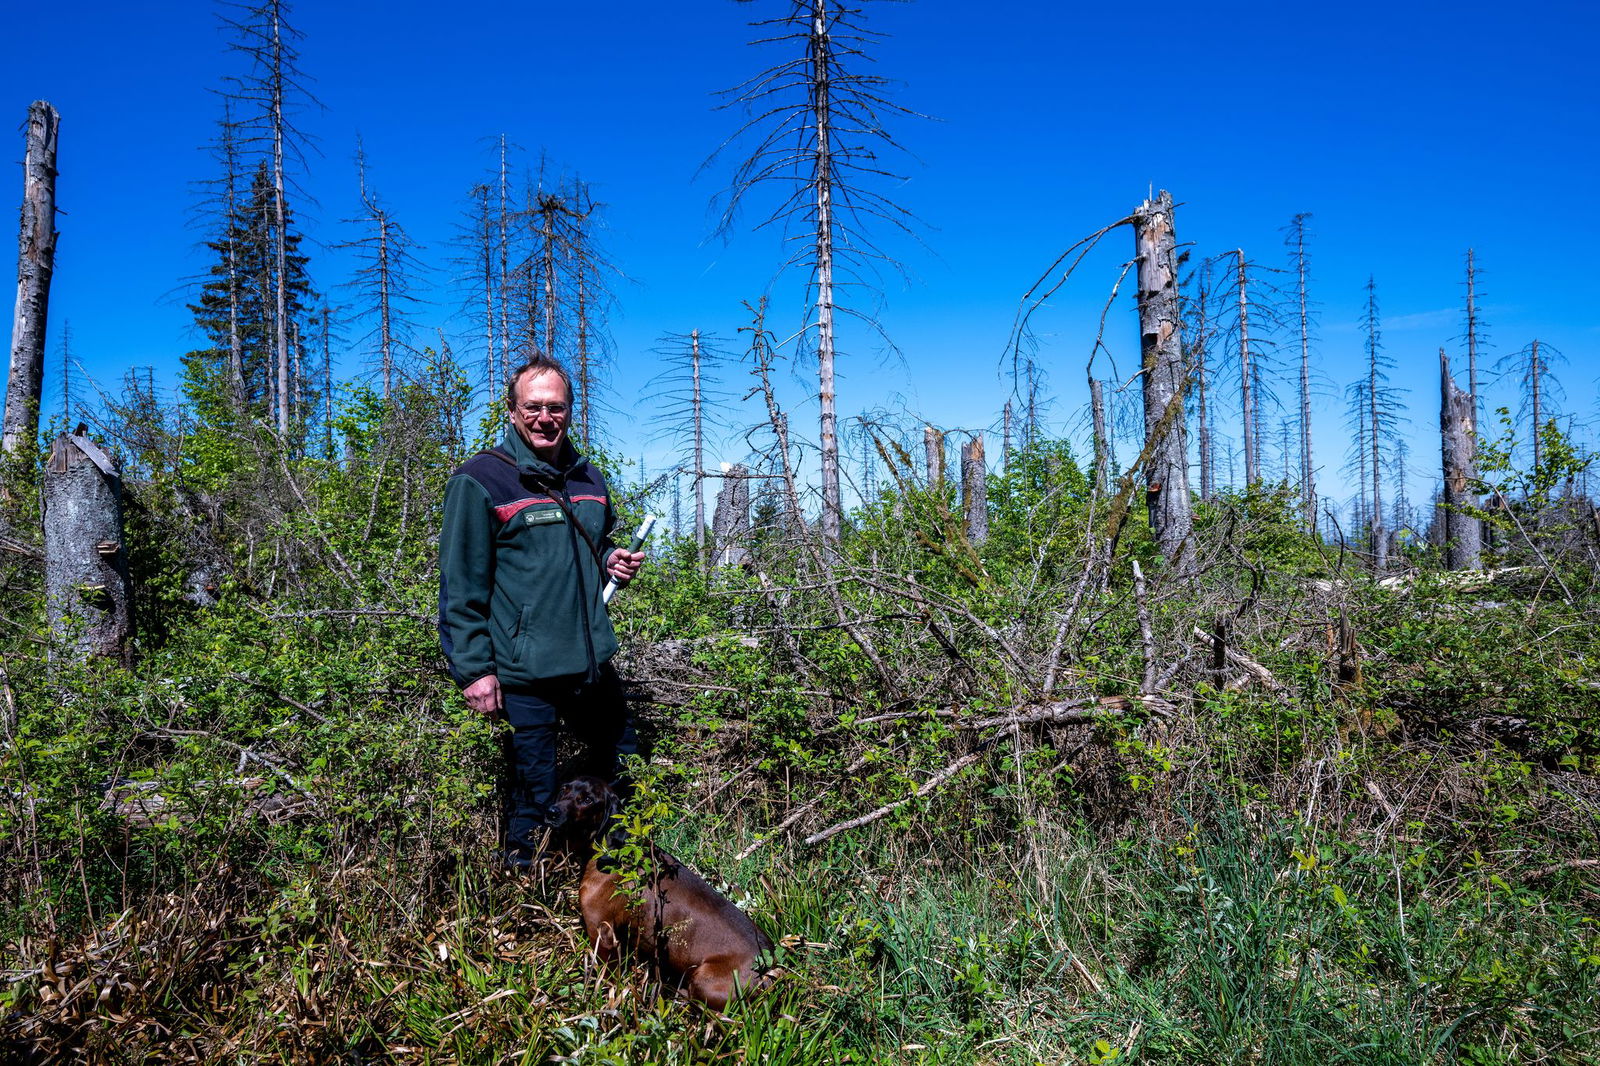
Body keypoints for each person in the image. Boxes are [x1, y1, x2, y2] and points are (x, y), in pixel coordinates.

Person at [438, 355, 645, 868]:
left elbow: (594, 544)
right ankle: (524, 889)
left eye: (556, 407)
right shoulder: (481, 480)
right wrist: (474, 670)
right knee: (534, 788)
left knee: (625, 769)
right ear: (512, 412)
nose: (544, 418)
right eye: (532, 407)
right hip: (524, 671)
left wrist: (609, 559)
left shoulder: (587, 477)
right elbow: (460, 583)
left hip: (590, 661)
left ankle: (616, 877)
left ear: (571, 411)